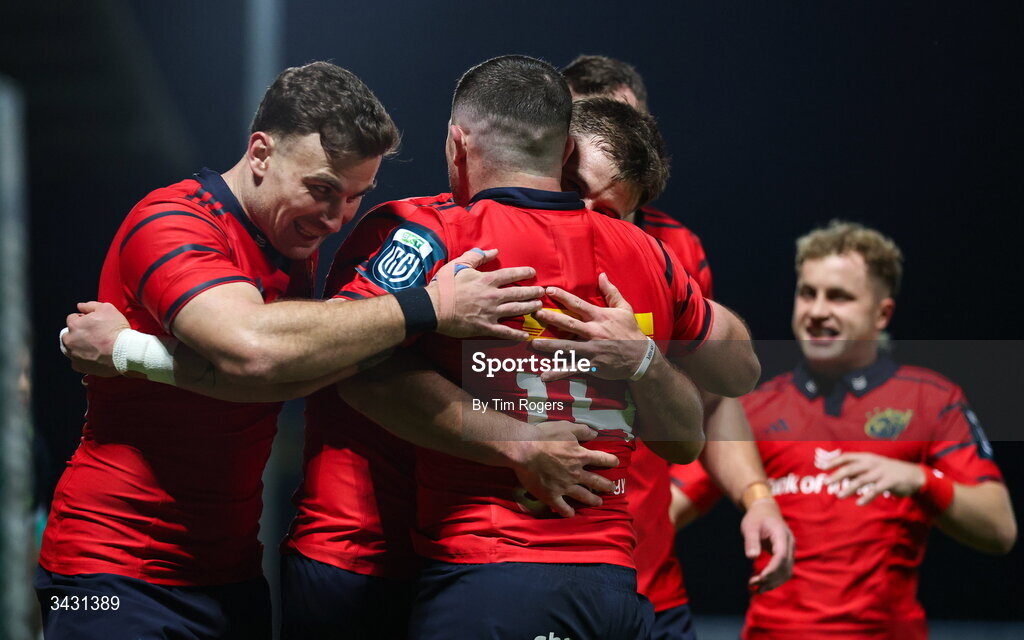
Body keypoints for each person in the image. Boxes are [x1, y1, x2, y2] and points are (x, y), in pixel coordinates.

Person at [40, 61, 551, 639]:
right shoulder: (173, 220)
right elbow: (255, 352)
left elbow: (291, 376)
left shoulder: (291, 241)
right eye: (322, 190)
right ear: (260, 153)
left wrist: (131, 351)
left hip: (229, 572)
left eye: (355, 197)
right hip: (110, 568)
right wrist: (427, 308)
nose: (335, 219)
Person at [319, 55, 761, 640]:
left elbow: (345, 363)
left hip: (498, 572)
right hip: (601, 581)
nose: (585, 212)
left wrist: (643, 359)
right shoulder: (647, 256)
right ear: (558, 153)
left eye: (609, 207)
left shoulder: (449, 235)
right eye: (579, 191)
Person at [676, 221, 1017, 639]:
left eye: (839, 296)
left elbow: (1000, 529)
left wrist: (920, 479)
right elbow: (666, 511)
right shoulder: (753, 407)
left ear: (882, 313)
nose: (817, 311)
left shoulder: (931, 399)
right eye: (808, 293)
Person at [561, 55, 795, 640]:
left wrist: (757, 496)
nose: (613, 144)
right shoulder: (498, 234)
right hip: (531, 571)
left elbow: (718, 396)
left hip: (649, 585)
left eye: (625, 127)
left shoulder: (676, 250)